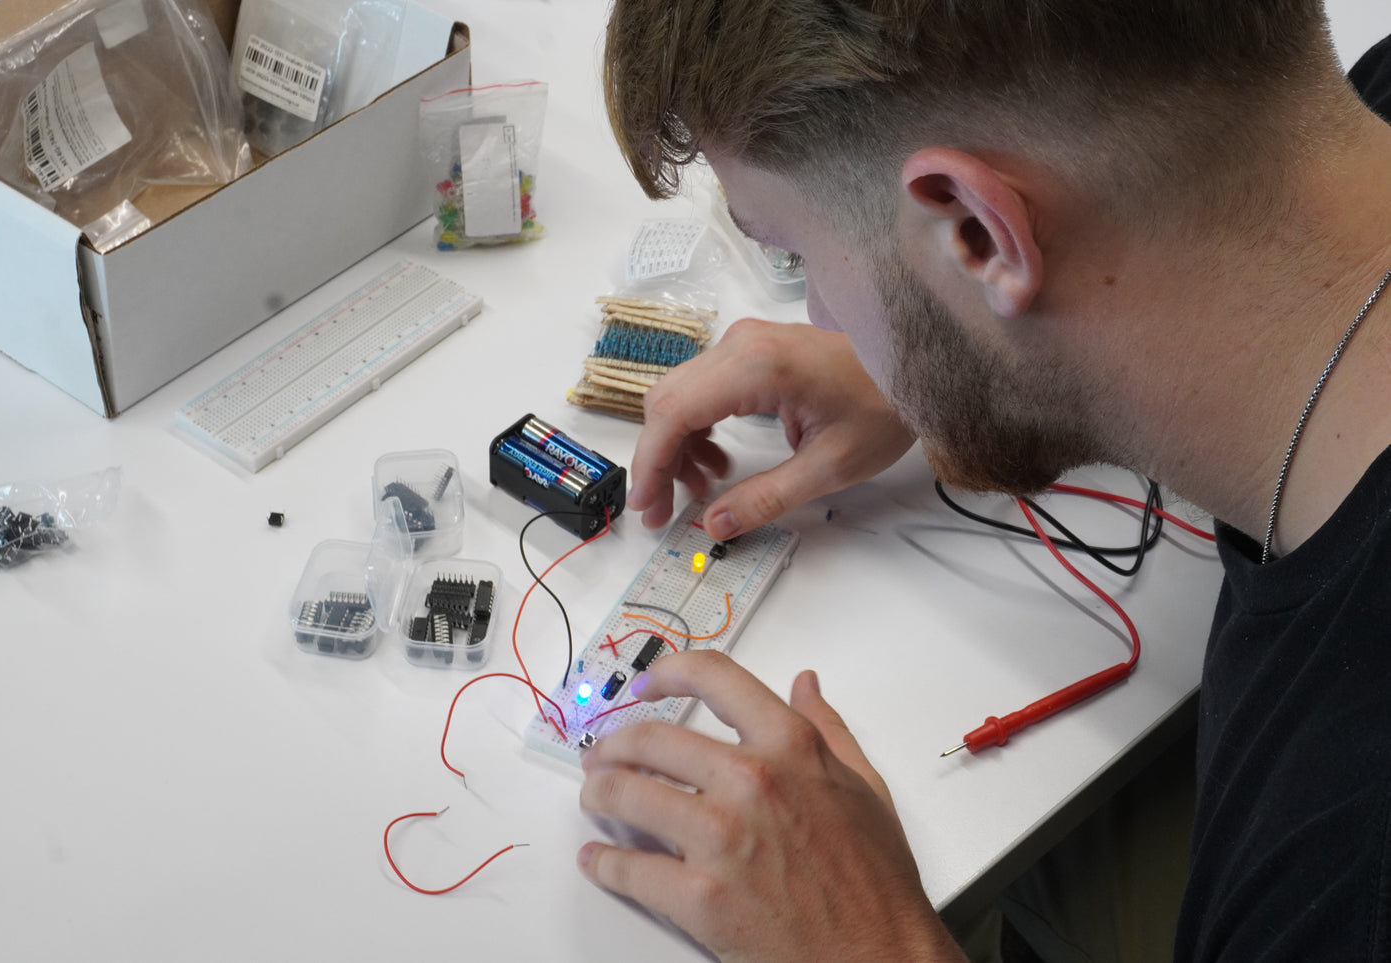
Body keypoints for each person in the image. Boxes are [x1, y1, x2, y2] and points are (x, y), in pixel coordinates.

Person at [571, 2, 1391, 961]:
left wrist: (883, 945)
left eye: (796, 257)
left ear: (979, 232)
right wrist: (956, 357)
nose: (821, 315)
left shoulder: (1340, 872)